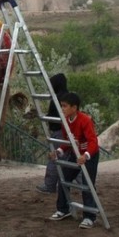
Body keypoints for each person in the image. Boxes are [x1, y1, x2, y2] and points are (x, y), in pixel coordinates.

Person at [47, 91, 100, 229]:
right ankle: (63, 209)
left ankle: (89, 217)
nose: (62, 109)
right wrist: (58, 152)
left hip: (89, 155)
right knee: (64, 178)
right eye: (61, 106)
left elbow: (93, 141)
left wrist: (86, 156)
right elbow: (67, 142)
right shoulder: (65, 122)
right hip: (76, 154)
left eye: (64, 106)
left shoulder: (85, 120)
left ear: (74, 107)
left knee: (87, 184)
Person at [36, 73, 69, 194]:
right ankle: (79, 183)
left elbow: (54, 115)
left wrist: (42, 115)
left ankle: (49, 186)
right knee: (66, 159)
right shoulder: (67, 96)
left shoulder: (57, 98)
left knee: (54, 159)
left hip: (59, 132)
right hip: (65, 131)